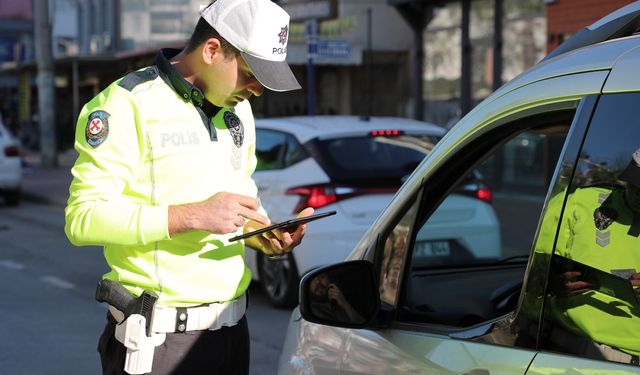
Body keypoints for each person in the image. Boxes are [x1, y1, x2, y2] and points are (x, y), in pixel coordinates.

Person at [64, 1, 313, 374]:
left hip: (232, 331)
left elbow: (236, 206)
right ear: (212, 50)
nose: (257, 90)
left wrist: (259, 234)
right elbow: (82, 220)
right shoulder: (126, 103)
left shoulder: (238, 111)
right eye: (250, 73)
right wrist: (192, 215)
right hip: (158, 341)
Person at [544, 148, 640, 365]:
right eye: (636, 184)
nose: (639, 195)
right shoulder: (576, 205)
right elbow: (534, 281)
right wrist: (550, 285)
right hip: (565, 354)